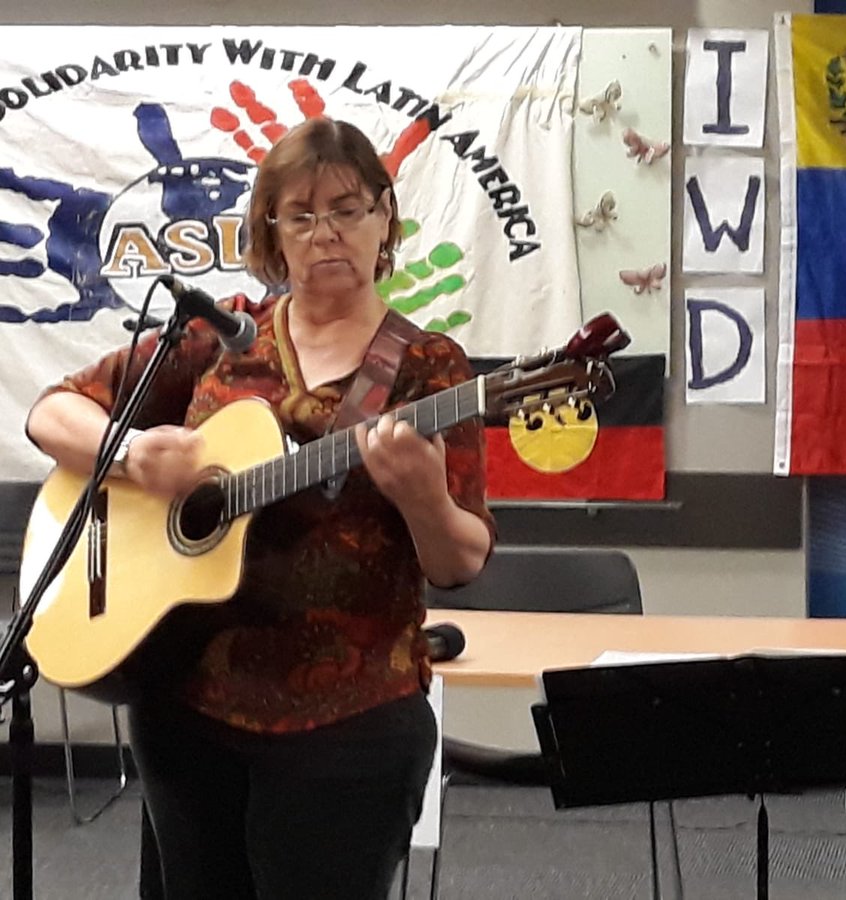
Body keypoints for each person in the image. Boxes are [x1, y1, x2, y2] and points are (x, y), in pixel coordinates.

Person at [25, 117, 495, 900]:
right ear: (271, 230)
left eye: (347, 209)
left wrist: (424, 500)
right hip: (188, 702)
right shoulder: (221, 338)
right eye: (300, 215)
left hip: (348, 727)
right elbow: (53, 412)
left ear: (384, 216)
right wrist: (134, 454)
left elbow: (460, 560)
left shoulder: (428, 368)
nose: (326, 233)